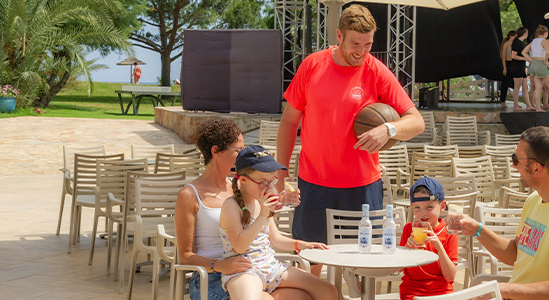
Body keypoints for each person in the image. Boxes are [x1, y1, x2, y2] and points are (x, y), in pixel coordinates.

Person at [276, 4, 425, 277]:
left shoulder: (376, 71)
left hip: (363, 188)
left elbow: (416, 122)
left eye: (368, 44)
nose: (362, 51)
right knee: (311, 267)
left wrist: (388, 129)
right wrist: (281, 173)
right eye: (355, 43)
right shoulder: (312, 65)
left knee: (365, 268)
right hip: (314, 185)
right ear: (339, 36)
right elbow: (288, 123)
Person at [450, 126, 549, 300]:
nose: (513, 165)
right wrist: (477, 230)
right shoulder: (535, 200)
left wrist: (502, 289)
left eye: (516, 159)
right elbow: (516, 254)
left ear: (535, 168)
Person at [175, 119, 314, 300]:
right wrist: (222, 265)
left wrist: (279, 201)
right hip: (211, 276)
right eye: (238, 149)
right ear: (215, 151)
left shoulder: (243, 186)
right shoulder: (189, 194)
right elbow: (186, 256)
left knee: (303, 296)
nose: (243, 155)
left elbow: (262, 225)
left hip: (252, 270)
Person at [219, 145, 338, 300]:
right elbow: (240, 246)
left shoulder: (261, 201)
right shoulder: (231, 205)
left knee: (328, 291)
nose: (269, 187)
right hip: (244, 270)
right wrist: (263, 214)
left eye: (272, 181)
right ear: (243, 180)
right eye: (263, 182)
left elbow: (274, 238)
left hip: (270, 266)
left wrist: (300, 244)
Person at [399, 177, 458, 300]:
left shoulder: (449, 232)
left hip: (442, 293)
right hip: (412, 292)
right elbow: (397, 269)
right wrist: (406, 250)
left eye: (429, 207)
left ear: (442, 206)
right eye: (417, 208)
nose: (423, 213)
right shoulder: (409, 229)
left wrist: (439, 247)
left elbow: (450, 277)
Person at [523, 25, 549, 112]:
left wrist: (531, 60)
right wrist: (546, 61)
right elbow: (547, 53)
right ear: (545, 33)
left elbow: (523, 52)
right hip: (542, 64)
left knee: (538, 87)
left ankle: (538, 107)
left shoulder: (533, 42)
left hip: (533, 64)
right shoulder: (545, 41)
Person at [511, 27, 533, 111]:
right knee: (517, 86)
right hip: (516, 67)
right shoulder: (516, 42)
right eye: (527, 33)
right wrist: (525, 59)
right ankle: (515, 105)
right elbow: (513, 56)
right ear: (524, 34)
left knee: (525, 86)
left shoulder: (521, 43)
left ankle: (528, 105)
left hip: (522, 67)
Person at [499, 30, 517, 108]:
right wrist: (504, 68)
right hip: (507, 63)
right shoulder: (506, 44)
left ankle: (515, 101)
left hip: (514, 63)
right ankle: (502, 100)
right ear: (511, 36)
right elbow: (503, 57)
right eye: (514, 36)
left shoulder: (515, 44)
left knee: (515, 82)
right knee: (505, 83)